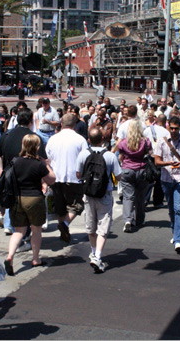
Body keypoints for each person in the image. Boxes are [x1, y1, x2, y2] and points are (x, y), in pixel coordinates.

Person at [3, 135, 56, 276]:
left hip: (17, 198)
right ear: (37, 147)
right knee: (36, 229)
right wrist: (47, 165)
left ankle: (10, 256)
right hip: (34, 198)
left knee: (19, 231)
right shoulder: (38, 163)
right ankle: (35, 258)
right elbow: (52, 180)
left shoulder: (15, 161)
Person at [76, 128, 121, 273]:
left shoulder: (83, 154)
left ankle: (93, 251)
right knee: (103, 226)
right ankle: (98, 256)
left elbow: (78, 174)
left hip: (88, 194)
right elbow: (118, 176)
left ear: (89, 139)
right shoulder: (109, 156)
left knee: (91, 226)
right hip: (104, 195)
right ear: (103, 139)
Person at [45, 114, 88, 244]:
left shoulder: (53, 139)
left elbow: (48, 157)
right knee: (77, 205)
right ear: (74, 125)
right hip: (74, 177)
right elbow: (84, 159)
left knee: (60, 206)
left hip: (56, 176)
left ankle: (63, 228)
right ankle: (65, 224)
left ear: (61, 124)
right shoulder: (80, 139)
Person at [154, 117, 180, 254]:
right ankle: (175, 232)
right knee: (171, 209)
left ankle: (178, 240)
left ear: (179, 128)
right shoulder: (162, 141)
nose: (173, 131)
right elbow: (157, 161)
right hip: (166, 179)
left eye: (176, 128)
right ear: (168, 127)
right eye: (171, 128)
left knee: (179, 208)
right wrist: (169, 163)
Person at [117, 119, 152, 232]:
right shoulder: (145, 141)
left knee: (128, 196)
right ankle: (139, 219)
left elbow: (120, 156)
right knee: (140, 196)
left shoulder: (123, 143)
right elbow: (150, 153)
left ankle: (128, 219)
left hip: (127, 170)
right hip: (142, 170)